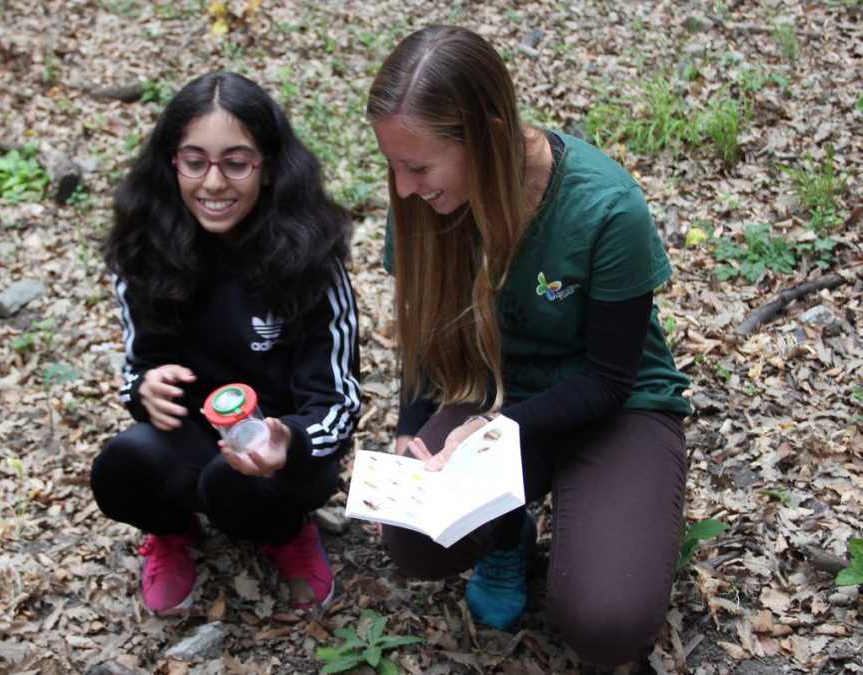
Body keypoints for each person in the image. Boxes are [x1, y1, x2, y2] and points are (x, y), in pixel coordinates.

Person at [366, 25, 692, 668]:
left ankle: (604, 517)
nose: (402, 189)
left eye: (419, 167)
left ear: (486, 136)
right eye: (394, 165)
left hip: (612, 407)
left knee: (607, 622)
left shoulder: (606, 208)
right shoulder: (425, 200)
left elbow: (608, 379)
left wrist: (495, 430)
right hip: (494, 389)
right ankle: (509, 528)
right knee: (414, 540)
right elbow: (426, 336)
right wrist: (410, 434)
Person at [91, 71, 361, 617]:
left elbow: (337, 403)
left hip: (288, 452)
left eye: (235, 162)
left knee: (234, 481)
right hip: (194, 441)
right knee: (118, 468)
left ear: (268, 167)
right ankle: (172, 532)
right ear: (172, 164)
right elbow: (138, 368)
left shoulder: (310, 258)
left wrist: (292, 439)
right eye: (195, 161)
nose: (213, 183)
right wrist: (145, 388)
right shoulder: (143, 250)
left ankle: (287, 534)